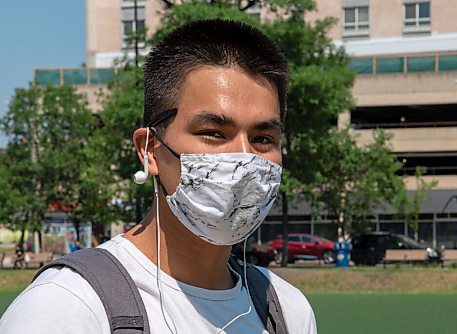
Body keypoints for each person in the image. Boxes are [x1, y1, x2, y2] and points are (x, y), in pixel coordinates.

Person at [0, 19, 317, 333]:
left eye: (263, 139)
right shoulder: (69, 306)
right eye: (213, 133)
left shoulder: (287, 310)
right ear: (149, 149)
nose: (245, 159)